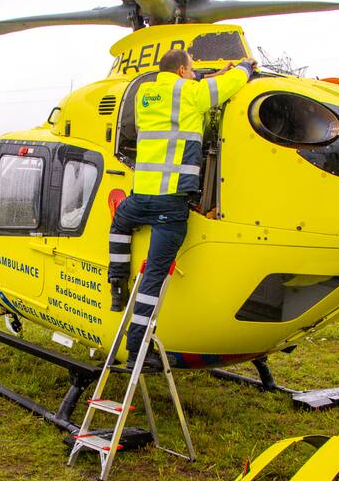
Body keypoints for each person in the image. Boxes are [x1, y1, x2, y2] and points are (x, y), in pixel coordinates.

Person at [108, 49, 255, 370]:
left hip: (140, 198)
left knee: (119, 223)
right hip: (170, 203)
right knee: (153, 278)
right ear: (182, 71)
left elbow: (184, 86)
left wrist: (204, 75)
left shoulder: (145, 94)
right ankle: (137, 351)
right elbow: (227, 86)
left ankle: (116, 282)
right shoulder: (191, 94)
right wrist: (244, 67)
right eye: (191, 70)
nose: (192, 74)